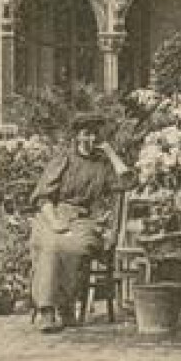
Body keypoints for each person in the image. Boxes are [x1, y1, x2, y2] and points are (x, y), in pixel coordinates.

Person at [28, 113, 131, 334]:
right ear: (76, 136)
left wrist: (111, 152)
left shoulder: (103, 165)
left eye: (95, 133)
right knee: (50, 245)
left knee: (74, 247)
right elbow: (43, 197)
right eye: (86, 133)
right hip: (52, 214)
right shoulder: (64, 159)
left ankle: (66, 306)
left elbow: (128, 182)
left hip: (84, 220)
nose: (91, 138)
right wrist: (55, 222)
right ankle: (47, 311)